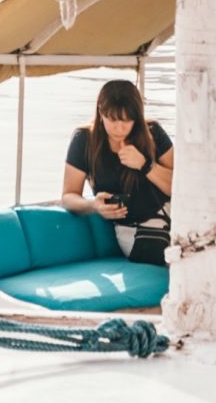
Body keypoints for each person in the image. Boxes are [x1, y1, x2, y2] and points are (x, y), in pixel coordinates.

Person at [61, 79, 175, 264]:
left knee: (199, 248)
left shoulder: (153, 133)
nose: (119, 128)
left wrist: (145, 165)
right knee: (170, 255)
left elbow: (179, 187)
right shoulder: (84, 140)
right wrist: (94, 206)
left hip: (171, 214)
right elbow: (68, 196)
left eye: (127, 120)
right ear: (101, 111)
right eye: (113, 120)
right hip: (133, 230)